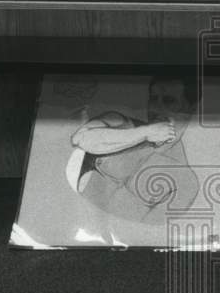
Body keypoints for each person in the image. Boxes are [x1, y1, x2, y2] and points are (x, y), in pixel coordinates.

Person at [69, 77, 200, 223]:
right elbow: (79, 139)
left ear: (191, 108)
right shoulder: (122, 123)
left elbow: (144, 230)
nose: (156, 107)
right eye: (154, 99)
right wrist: (144, 133)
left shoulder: (184, 180)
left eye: (169, 101)